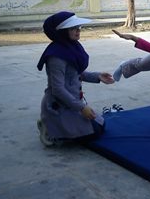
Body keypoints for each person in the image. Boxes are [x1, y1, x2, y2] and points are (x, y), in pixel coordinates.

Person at [36, 12, 115, 147]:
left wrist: (98, 76)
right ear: (62, 31)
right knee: (94, 132)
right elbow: (58, 89)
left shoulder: (71, 47)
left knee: (100, 126)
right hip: (59, 104)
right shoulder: (56, 56)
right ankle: (48, 126)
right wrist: (82, 107)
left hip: (71, 100)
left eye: (79, 27)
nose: (78, 31)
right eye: (73, 28)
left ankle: (54, 124)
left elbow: (76, 74)